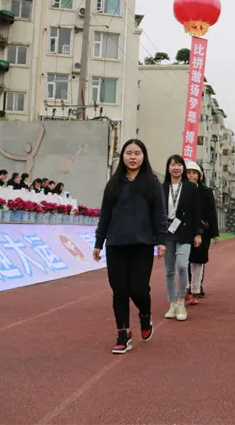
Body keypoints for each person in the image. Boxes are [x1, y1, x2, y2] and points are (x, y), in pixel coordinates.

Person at [93, 139, 168, 354]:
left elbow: (159, 214)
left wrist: (161, 240)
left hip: (142, 244)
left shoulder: (151, 183)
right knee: (119, 290)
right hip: (116, 244)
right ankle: (123, 334)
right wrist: (99, 242)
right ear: (123, 156)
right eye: (128, 153)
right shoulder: (114, 184)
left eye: (137, 153)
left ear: (143, 156)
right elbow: (105, 215)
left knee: (139, 289)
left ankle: (145, 315)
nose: (133, 157)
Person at [162, 155, 203, 322]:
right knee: (169, 270)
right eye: (173, 165)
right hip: (166, 232)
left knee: (181, 266)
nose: (176, 168)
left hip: (185, 232)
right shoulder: (162, 187)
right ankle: (172, 303)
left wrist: (198, 233)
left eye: (179, 164)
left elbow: (196, 212)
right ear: (168, 168)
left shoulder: (190, 188)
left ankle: (180, 301)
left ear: (183, 168)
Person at [185, 161, 219, 305]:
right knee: (184, 261)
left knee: (198, 261)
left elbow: (212, 212)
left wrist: (214, 233)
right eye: (189, 173)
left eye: (194, 173)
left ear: (200, 175)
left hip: (202, 231)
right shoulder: (180, 189)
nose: (191, 176)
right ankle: (186, 288)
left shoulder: (206, 191)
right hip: (184, 230)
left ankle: (195, 290)